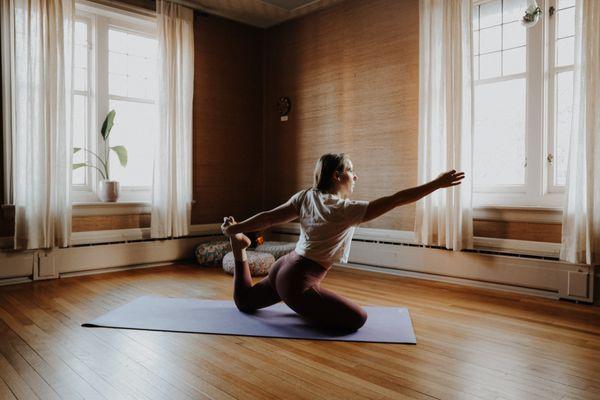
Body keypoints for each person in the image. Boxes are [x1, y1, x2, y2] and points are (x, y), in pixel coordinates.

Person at [221, 153, 464, 332]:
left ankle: (239, 248)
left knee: (245, 302)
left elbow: (269, 217)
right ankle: (301, 303)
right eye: (350, 170)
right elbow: (397, 199)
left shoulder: (306, 196)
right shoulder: (345, 210)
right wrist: (436, 184)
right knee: (357, 319)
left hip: (284, 265)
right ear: (337, 176)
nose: (355, 175)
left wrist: (236, 228)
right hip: (298, 281)